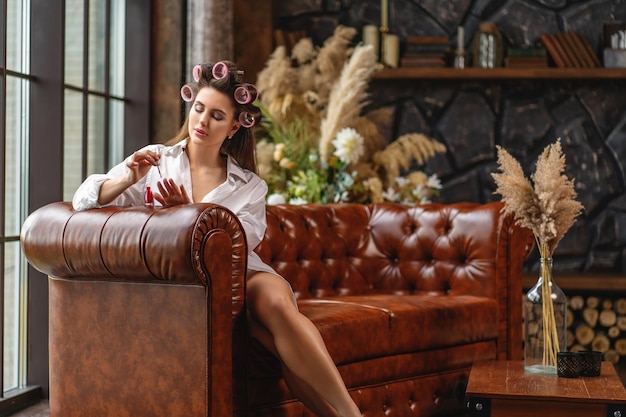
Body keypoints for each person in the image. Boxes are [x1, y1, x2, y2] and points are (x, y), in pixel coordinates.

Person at [72, 61, 362, 417]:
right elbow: (82, 200)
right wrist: (127, 177)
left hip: (244, 278)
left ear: (234, 126)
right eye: (198, 109)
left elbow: (241, 243)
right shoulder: (155, 163)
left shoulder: (251, 185)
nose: (202, 122)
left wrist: (190, 213)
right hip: (191, 289)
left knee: (275, 304)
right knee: (276, 346)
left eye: (216, 116)